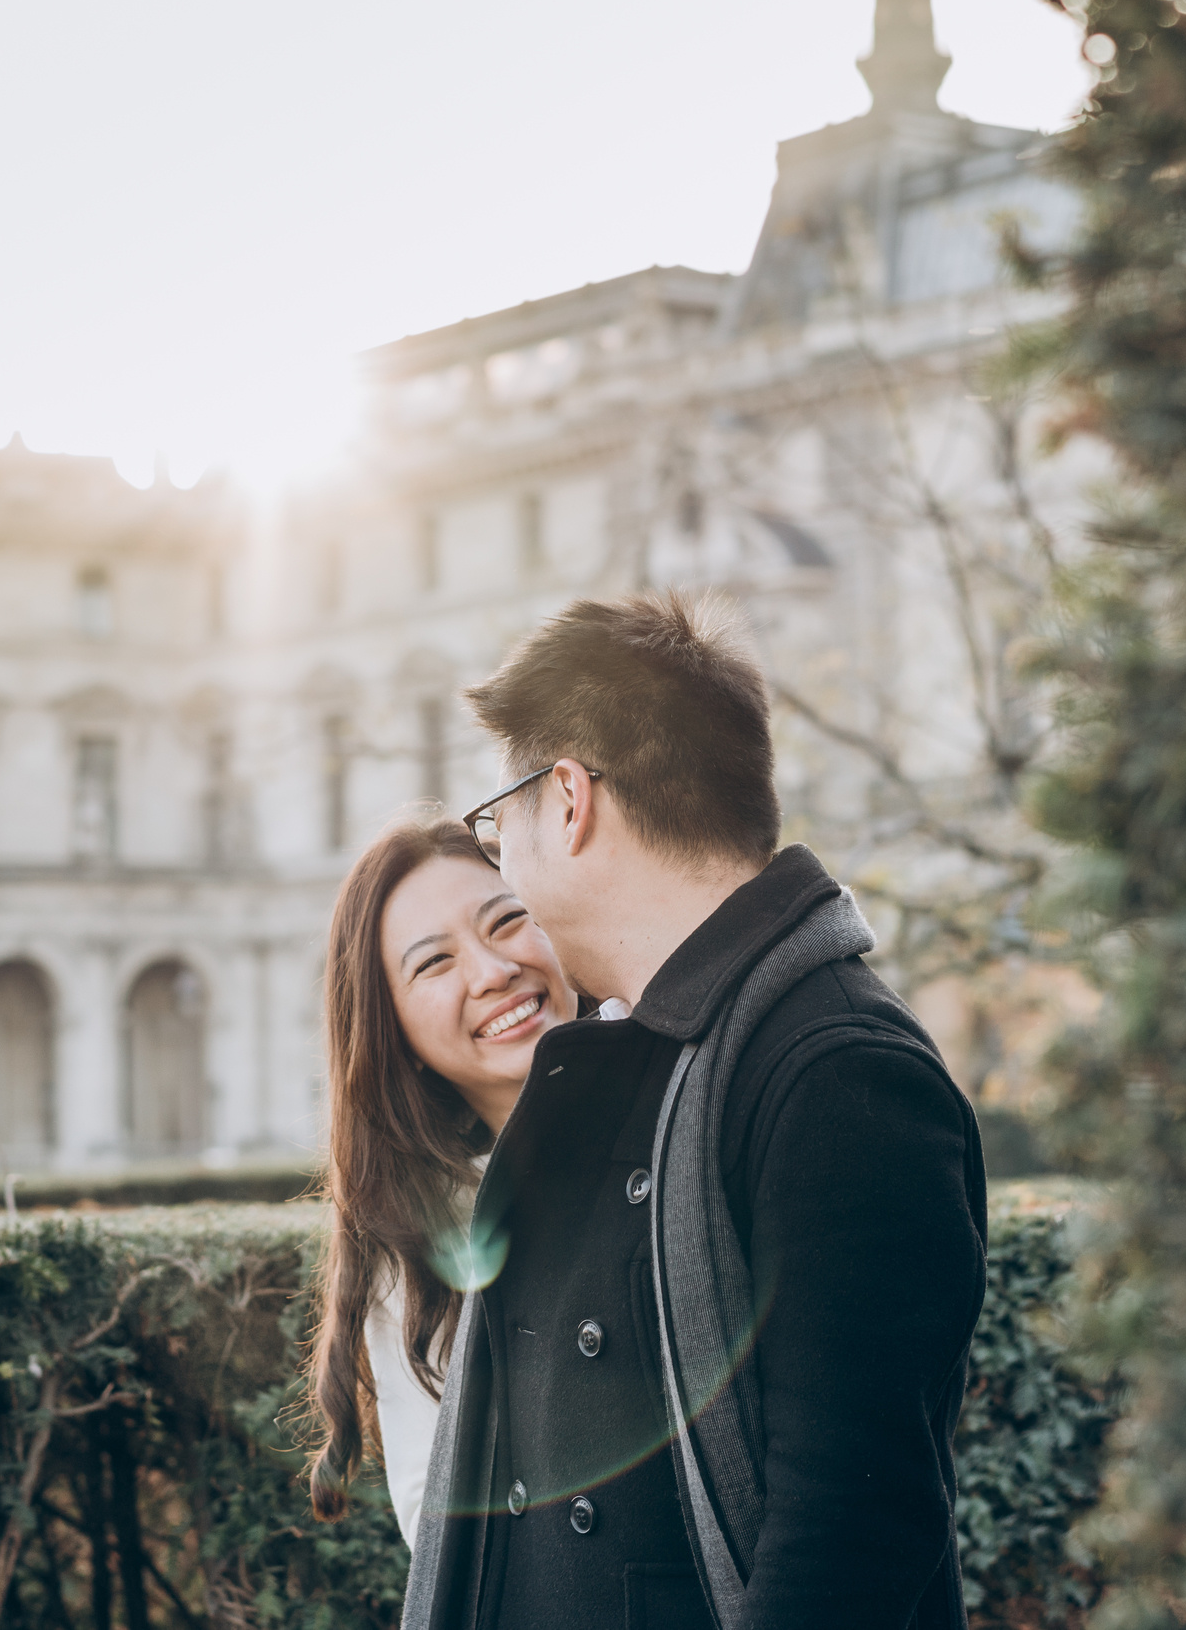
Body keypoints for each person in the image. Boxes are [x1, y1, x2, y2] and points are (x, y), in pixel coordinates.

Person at [394, 592, 989, 1630]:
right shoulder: (646, 1058)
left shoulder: (839, 1070)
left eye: (500, 827)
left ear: (569, 797)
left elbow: (848, 1539)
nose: (509, 866)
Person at [302, 813, 588, 1545]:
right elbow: (439, 1519)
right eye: (434, 963)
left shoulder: (697, 1102)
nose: (494, 972)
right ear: (394, 1032)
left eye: (508, 920)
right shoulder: (418, 1235)